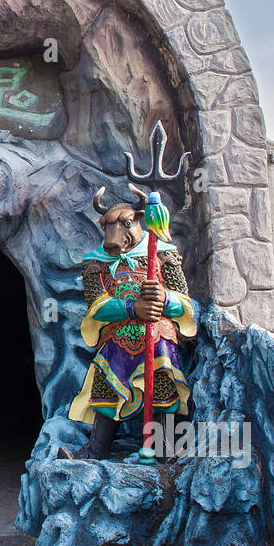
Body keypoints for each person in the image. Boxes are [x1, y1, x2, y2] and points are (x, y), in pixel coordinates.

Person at [59, 188, 197, 460]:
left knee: (162, 389)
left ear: (138, 221)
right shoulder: (95, 262)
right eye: (109, 226)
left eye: (124, 224)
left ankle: (163, 448)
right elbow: (97, 306)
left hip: (157, 338)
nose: (115, 233)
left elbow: (183, 300)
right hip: (117, 340)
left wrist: (164, 298)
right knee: (106, 390)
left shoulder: (163, 253)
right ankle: (95, 449)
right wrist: (134, 309)